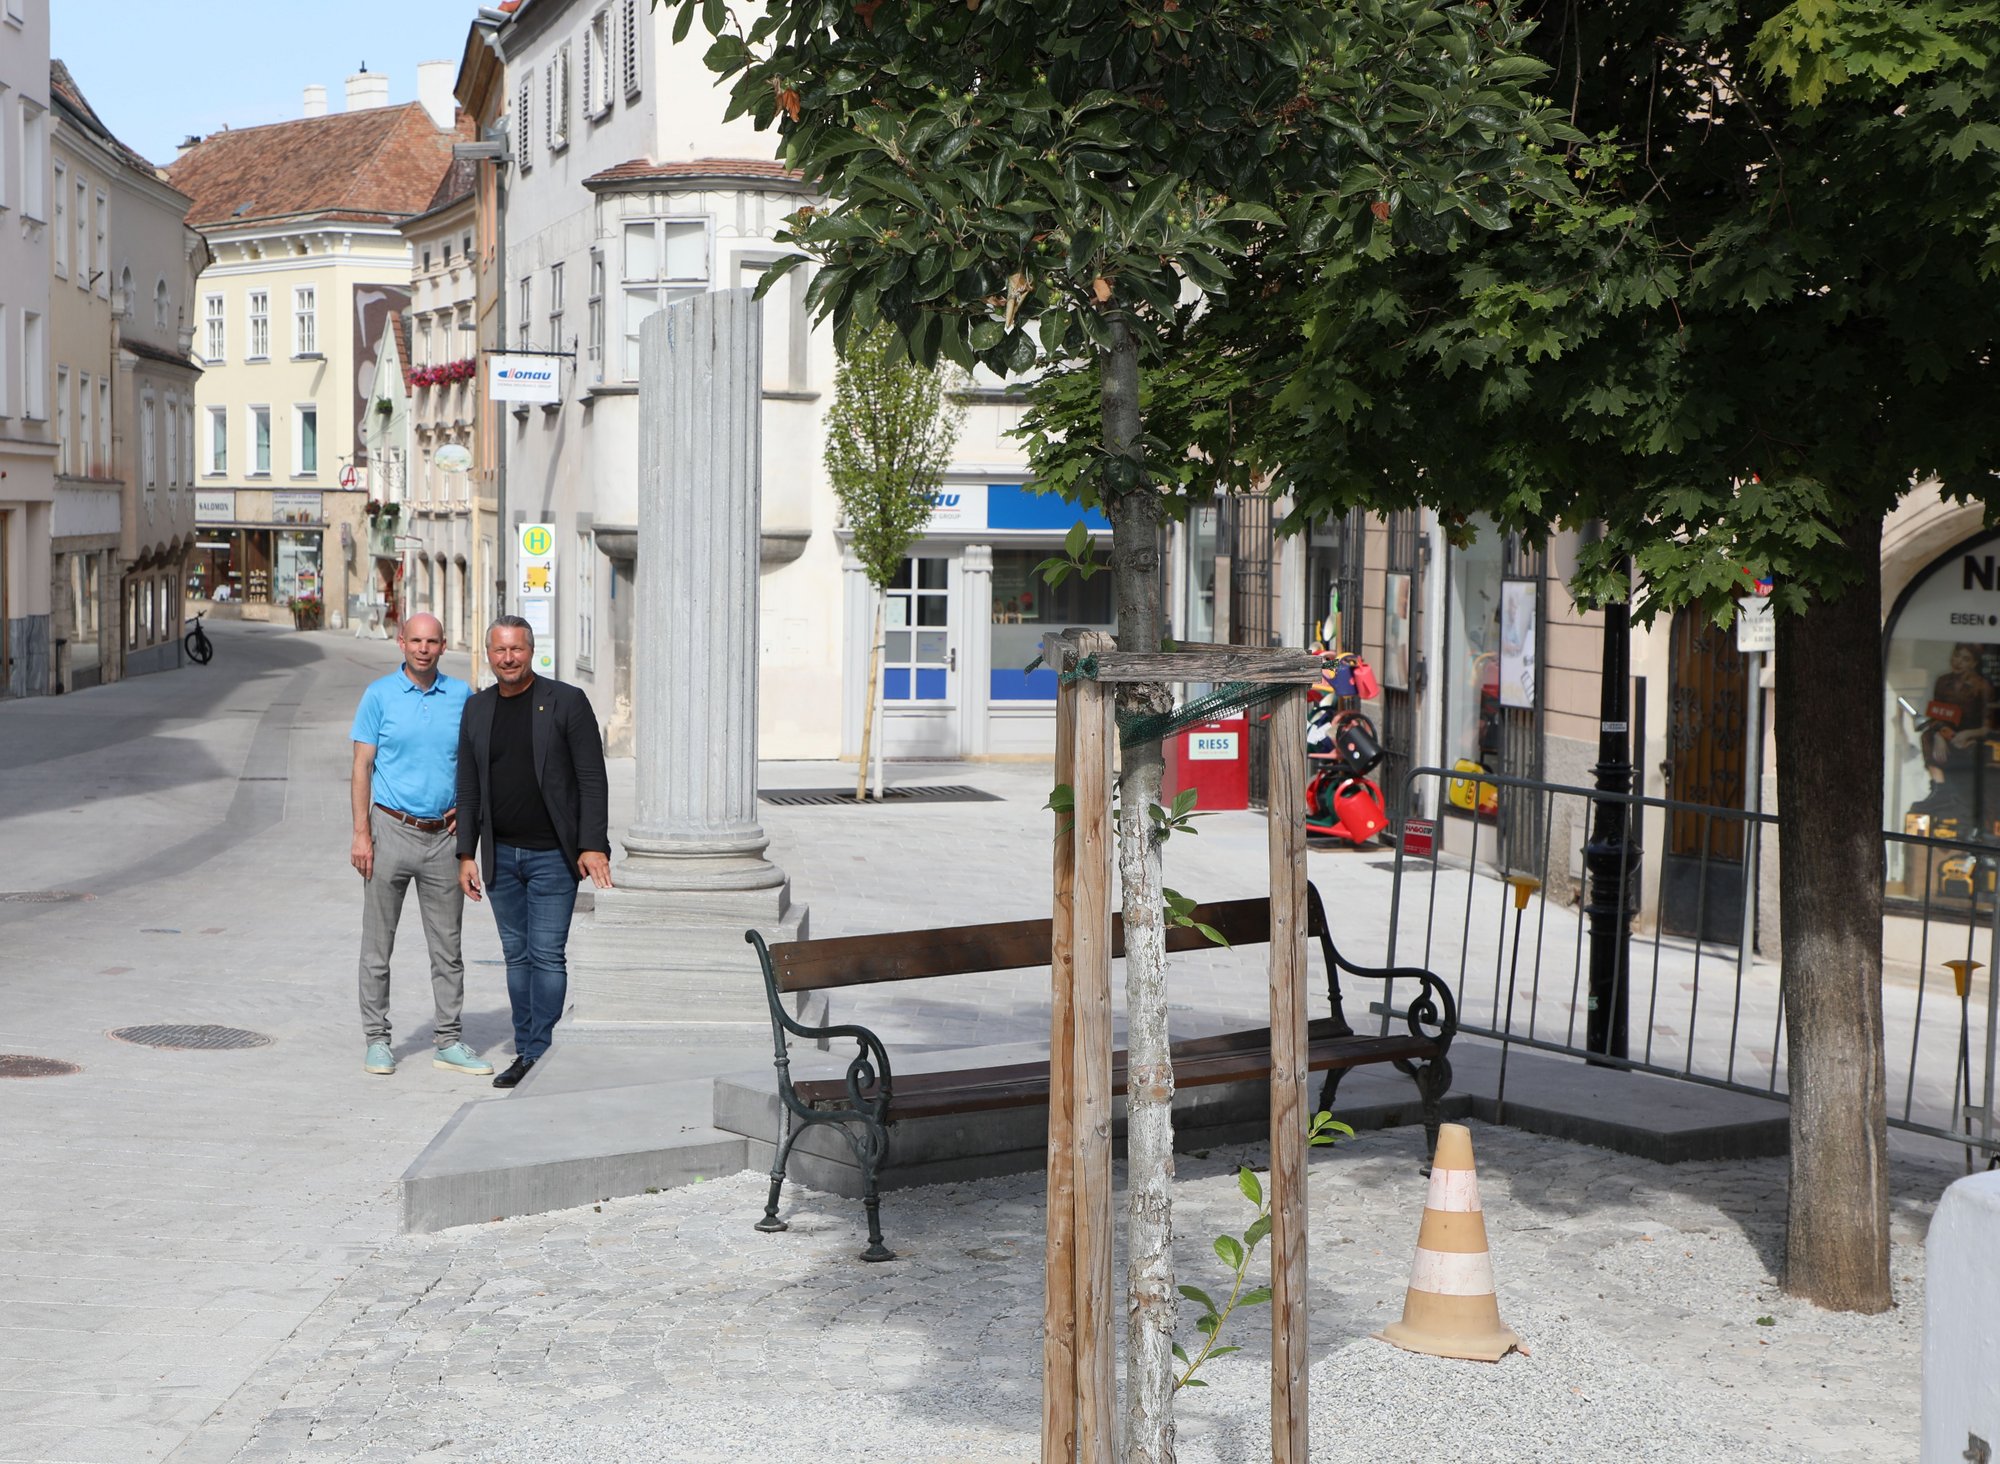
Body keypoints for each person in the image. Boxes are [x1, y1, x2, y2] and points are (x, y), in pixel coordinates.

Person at [456, 616, 613, 1089]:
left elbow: (591, 778)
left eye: (517, 650)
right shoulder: (477, 709)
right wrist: (467, 853)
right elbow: (467, 785)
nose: (508, 658)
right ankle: (527, 1048)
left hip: (552, 857)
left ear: (531, 651)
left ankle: (539, 1053)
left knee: (546, 955)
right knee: (516, 955)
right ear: (489, 655)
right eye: (500, 651)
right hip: (501, 857)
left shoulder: (565, 701)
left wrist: (592, 844)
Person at [350, 613, 492, 1078]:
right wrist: (360, 833)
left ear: (443, 645)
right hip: (389, 829)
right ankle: (377, 1039)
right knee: (378, 947)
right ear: (401, 643)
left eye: (432, 641)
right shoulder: (379, 696)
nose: (424, 649)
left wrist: (467, 816)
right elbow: (361, 767)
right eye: (416, 640)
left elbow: (474, 763)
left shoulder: (461, 697)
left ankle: (448, 1040)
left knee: (447, 949)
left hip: (443, 839)